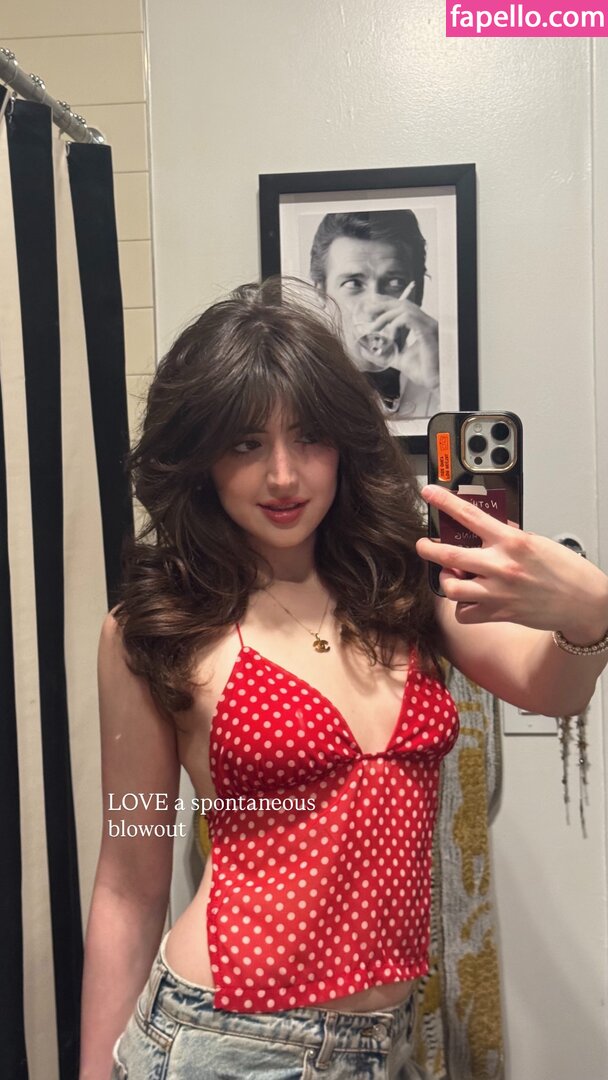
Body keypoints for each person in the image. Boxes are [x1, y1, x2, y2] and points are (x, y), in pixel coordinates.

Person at [79, 277, 608, 1080]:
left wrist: (591, 613)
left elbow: (555, 690)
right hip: (222, 1044)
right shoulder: (156, 626)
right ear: (200, 457)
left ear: (346, 445)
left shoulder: (405, 590)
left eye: (310, 438)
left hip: (380, 1045)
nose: (283, 475)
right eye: (245, 444)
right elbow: (128, 884)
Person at [309, 210, 440, 418]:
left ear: (419, 293)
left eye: (395, 283)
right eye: (353, 283)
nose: (374, 306)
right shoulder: (299, 393)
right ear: (320, 293)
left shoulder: (444, 384)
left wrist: (440, 383)